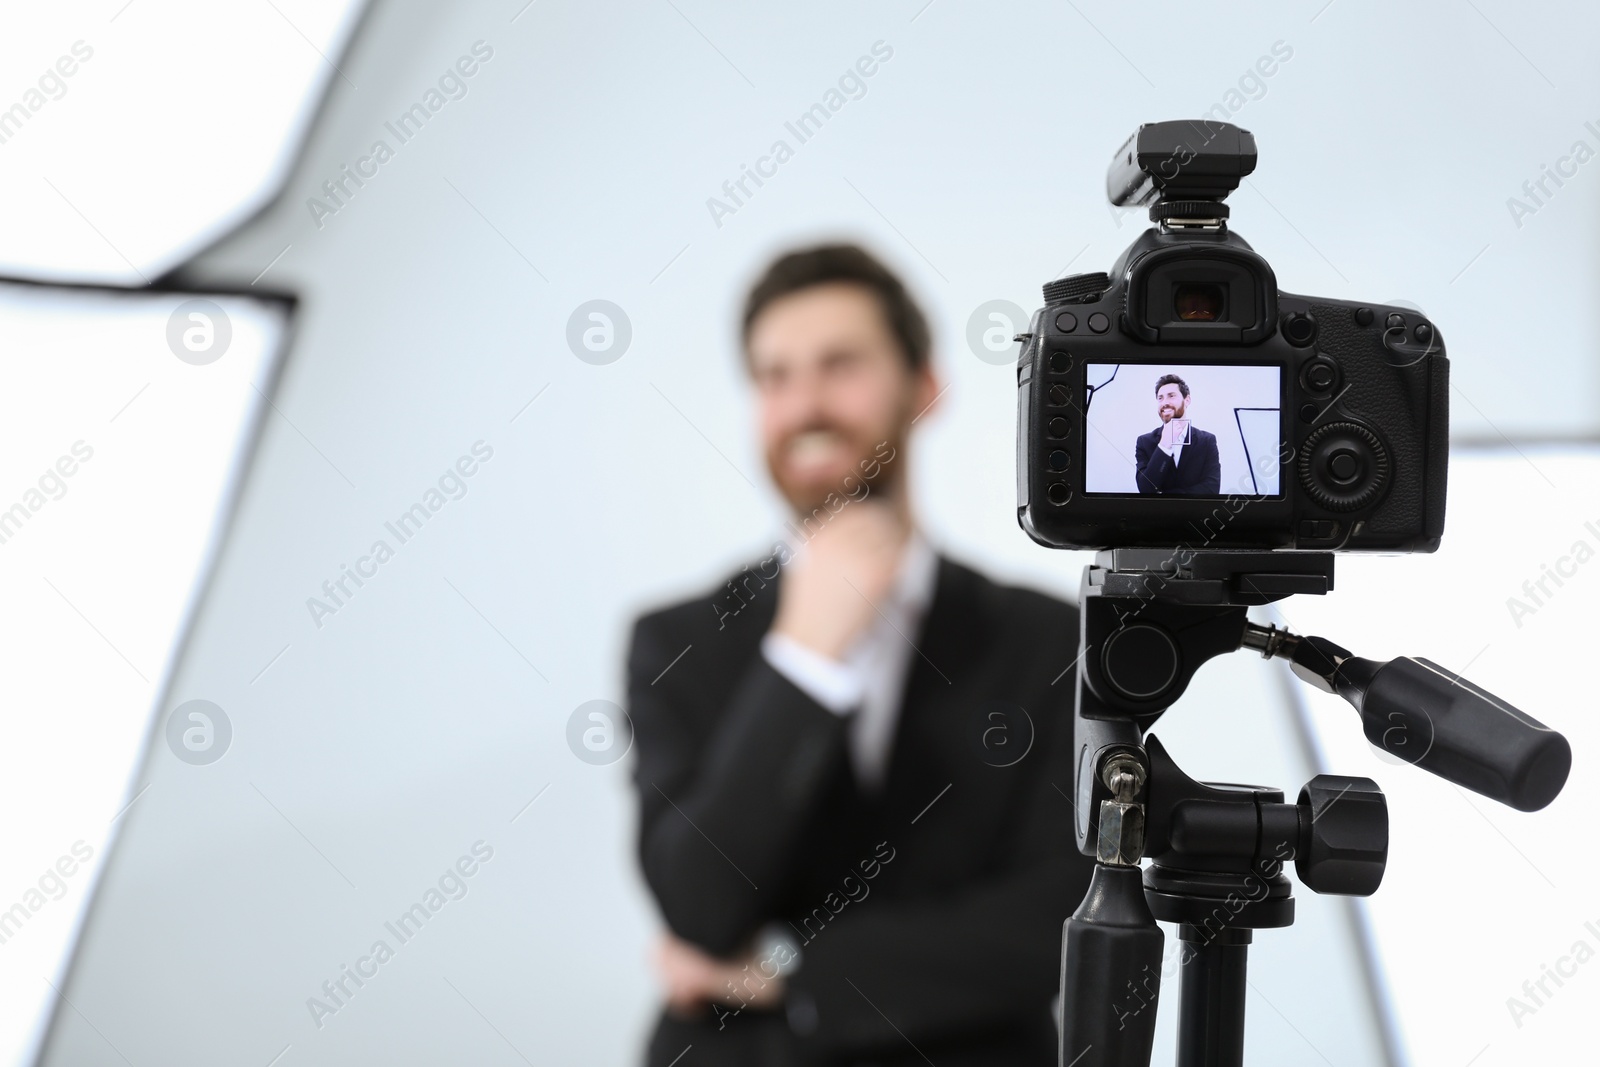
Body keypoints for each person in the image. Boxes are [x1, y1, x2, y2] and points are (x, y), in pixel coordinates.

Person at [626, 244, 1094, 1066]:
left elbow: (1063, 917)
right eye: (773, 376)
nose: (803, 404)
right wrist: (804, 658)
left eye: (840, 365)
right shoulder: (674, 641)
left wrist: (792, 970)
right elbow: (698, 905)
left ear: (925, 389)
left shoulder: (1049, 640)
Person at [1135, 373, 1221, 495]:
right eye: (1160, 398)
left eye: (1171, 396)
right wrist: (1164, 446)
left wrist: (1165, 496)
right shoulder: (1144, 442)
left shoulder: (1207, 441)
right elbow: (1145, 489)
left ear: (1187, 400)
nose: (1165, 402)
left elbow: (1212, 489)